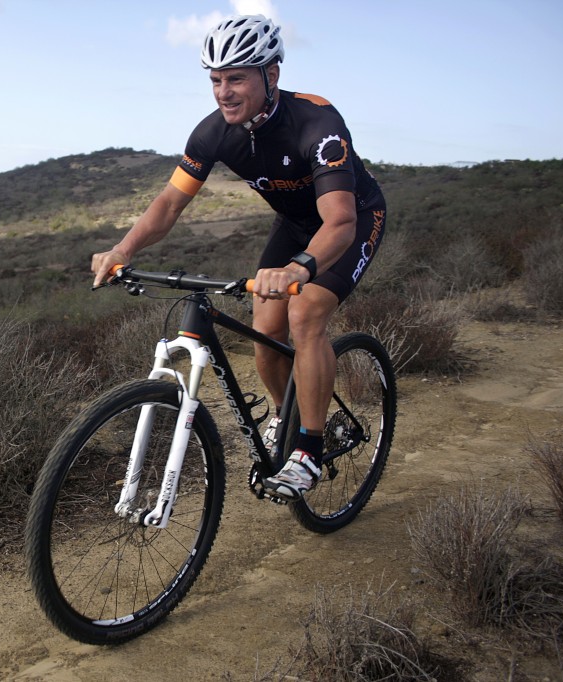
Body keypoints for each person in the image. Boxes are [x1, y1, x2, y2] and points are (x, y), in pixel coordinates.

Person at [90, 14, 387, 501]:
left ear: (271, 75)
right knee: (266, 331)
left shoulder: (318, 124)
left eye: (236, 78)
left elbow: (339, 223)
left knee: (305, 312)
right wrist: (122, 250)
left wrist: (297, 270)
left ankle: (309, 450)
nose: (223, 91)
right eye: (215, 80)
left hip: (351, 220)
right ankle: (283, 419)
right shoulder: (213, 134)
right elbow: (168, 205)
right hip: (294, 226)